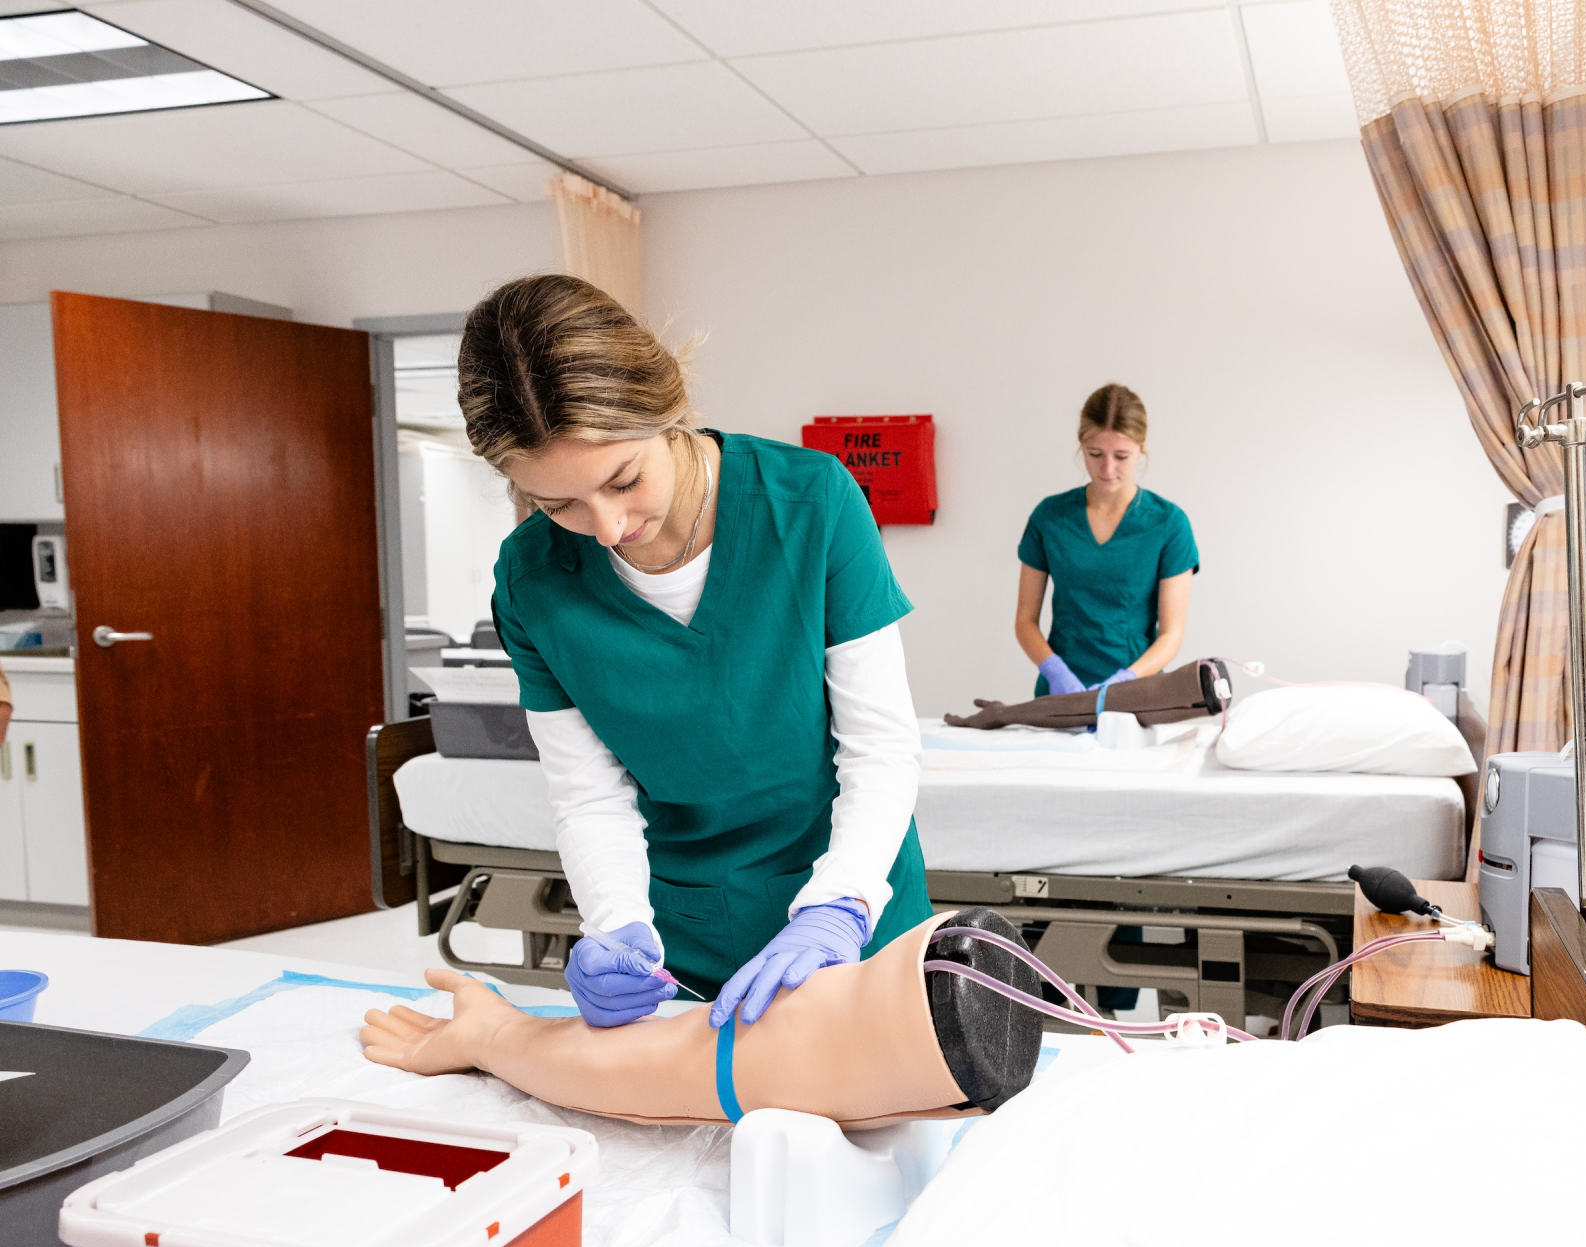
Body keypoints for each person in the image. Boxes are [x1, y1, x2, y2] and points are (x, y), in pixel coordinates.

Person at [460, 274, 930, 1032]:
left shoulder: (812, 505)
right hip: (681, 945)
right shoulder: (531, 582)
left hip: (854, 917)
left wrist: (840, 903)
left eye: (623, 480)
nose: (607, 526)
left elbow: (880, 747)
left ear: (667, 407)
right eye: (559, 505)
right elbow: (589, 793)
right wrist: (614, 925)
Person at [1015, 384, 1199, 698]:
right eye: (1095, 454)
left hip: (1136, 692)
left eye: (1122, 456)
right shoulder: (1050, 518)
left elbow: (1171, 635)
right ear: (1080, 446)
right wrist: (1055, 672)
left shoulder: (1168, 524)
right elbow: (1025, 620)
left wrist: (1125, 680)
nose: (1108, 468)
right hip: (1060, 696)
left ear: (1141, 448)